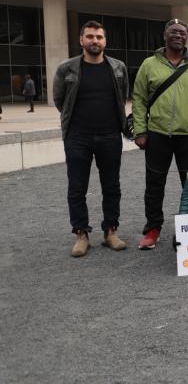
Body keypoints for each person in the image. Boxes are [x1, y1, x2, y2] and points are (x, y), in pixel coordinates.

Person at [132, 18, 188, 250]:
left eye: (182, 32)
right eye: (173, 32)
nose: (178, 35)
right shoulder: (149, 64)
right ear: (165, 36)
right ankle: (153, 229)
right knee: (154, 184)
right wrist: (140, 129)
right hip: (157, 134)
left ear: (186, 38)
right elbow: (138, 98)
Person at [52, 20, 129, 257]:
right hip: (77, 137)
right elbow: (59, 100)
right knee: (77, 187)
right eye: (90, 37)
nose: (95, 41)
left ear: (105, 41)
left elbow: (122, 96)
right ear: (81, 40)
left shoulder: (118, 68)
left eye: (99, 37)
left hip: (110, 135)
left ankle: (110, 232)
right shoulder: (67, 68)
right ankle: (81, 234)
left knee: (112, 186)